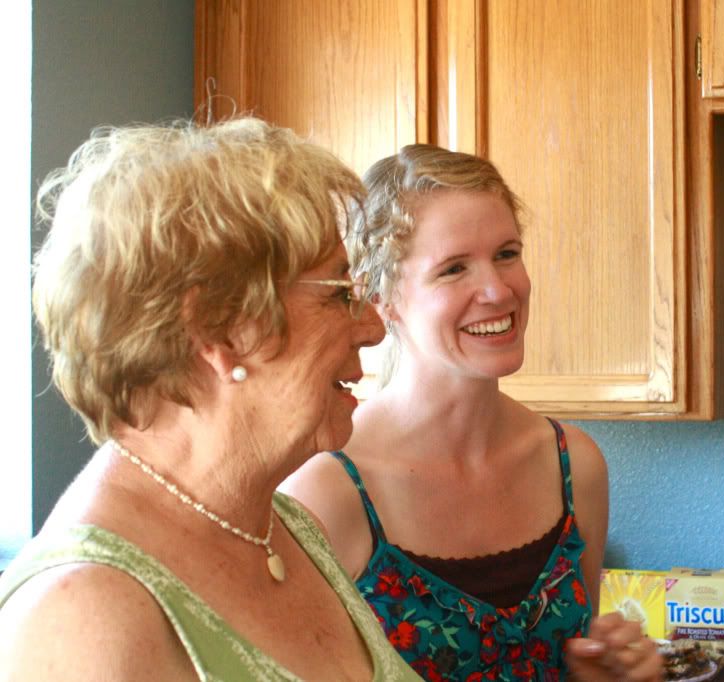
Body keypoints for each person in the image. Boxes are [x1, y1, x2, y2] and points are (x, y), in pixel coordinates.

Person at [0, 117, 421, 681]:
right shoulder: (82, 617)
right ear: (219, 332)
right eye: (340, 292)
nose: (373, 326)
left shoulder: (288, 527)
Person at [282, 144, 663, 681]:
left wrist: (608, 673)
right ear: (380, 300)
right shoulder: (328, 492)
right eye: (454, 268)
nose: (498, 289)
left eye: (507, 253)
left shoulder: (573, 465)